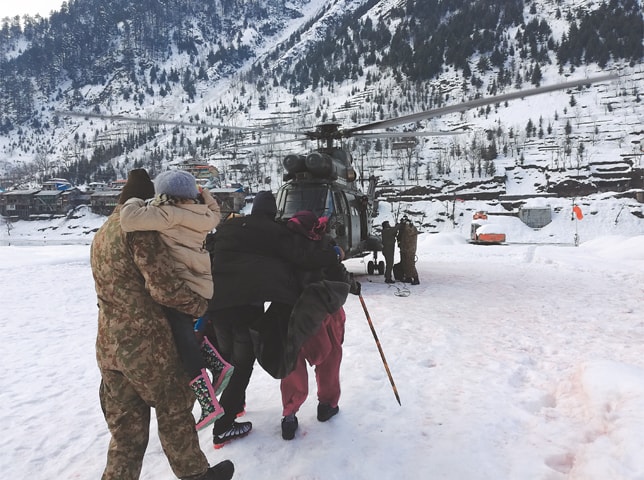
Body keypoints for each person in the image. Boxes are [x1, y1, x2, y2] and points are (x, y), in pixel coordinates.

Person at [91, 168, 233, 480]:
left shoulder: (102, 233)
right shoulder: (139, 231)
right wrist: (199, 306)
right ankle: (196, 475)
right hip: (147, 344)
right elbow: (163, 286)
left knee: (126, 433)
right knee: (174, 410)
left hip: (108, 345)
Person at [205, 191, 340, 449]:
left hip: (216, 306)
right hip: (246, 305)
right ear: (274, 212)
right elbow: (303, 258)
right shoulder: (274, 231)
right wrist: (333, 255)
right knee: (243, 365)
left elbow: (209, 251)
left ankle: (238, 405)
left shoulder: (229, 227)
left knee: (229, 362)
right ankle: (224, 426)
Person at [120, 169, 231, 431]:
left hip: (182, 289)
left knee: (183, 343)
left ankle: (208, 403)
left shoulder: (167, 215)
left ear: (165, 195)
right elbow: (216, 211)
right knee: (183, 335)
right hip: (202, 286)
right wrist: (205, 194)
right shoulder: (205, 215)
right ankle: (218, 365)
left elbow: (127, 219)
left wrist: (136, 199)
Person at [279, 210, 361, 441]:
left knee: (292, 364)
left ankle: (289, 414)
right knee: (330, 358)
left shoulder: (282, 248)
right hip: (324, 312)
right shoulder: (325, 247)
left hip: (291, 313)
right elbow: (340, 276)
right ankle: (327, 405)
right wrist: (352, 285)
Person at [397, 216, 420, 285]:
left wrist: (404, 225)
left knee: (410, 264)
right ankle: (408, 277)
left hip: (410, 249)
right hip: (404, 248)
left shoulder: (411, 228)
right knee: (404, 264)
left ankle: (416, 278)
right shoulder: (404, 230)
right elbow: (400, 238)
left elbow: (410, 232)